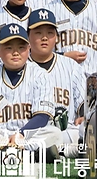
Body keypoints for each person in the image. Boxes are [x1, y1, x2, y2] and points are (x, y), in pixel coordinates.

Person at [0, 23, 59, 161]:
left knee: (55, 133)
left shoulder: (40, 75)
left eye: (21, 48)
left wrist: (21, 135)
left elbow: (42, 116)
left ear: (29, 49)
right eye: (9, 48)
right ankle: (31, 155)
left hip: (27, 136)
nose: (15, 52)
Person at [26, 9, 85, 153]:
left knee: (84, 131)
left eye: (50, 33)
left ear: (57, 38)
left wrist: (84, 116)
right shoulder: (20, 67)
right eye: (38, 33)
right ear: (27, 37)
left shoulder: (71, 66)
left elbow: (83, 101)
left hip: (65, 132)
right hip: (28, 131)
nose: (44, 38)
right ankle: (61, 151)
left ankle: (48, 150)